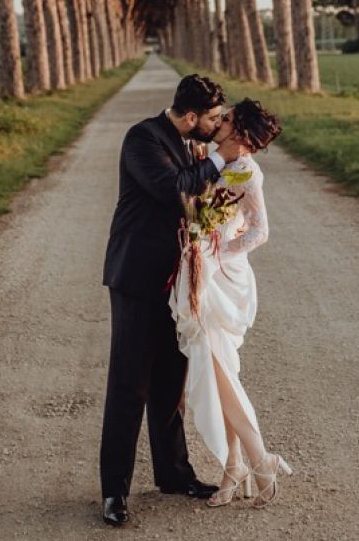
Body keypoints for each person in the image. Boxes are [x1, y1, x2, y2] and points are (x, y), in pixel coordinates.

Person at [99, 74, 247, 528]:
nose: (218, 124)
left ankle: (174, 474)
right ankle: (114, 493)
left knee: (171, 381)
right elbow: (175, 190)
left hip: (180, 284)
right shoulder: (142, 139)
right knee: (130, 386)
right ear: (189, 117)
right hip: (139, 278)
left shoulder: (190, 145)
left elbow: (201, 197)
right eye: (213, 119)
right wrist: (223, 157)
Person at [169, 98, 291, 510]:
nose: (219, 122)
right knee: (219, 368)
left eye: (227, 120)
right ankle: (236, 465)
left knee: (215, 366)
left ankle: (258, 458)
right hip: (201, 271)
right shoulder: (216, 160)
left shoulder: (248, 173)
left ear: (239, 133)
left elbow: (259, 232)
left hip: (221, 276)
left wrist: (216, 253)